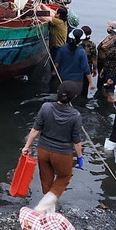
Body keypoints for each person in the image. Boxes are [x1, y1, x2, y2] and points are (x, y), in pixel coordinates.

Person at [22, 80, 84, 214]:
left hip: (43, 150)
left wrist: (27, 146)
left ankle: (50, 213)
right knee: (64, 177)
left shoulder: (46, 107)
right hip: (63, 154)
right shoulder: (75, 116)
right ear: (73, 97)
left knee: (46, 179)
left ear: (57, 93)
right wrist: (80, 157)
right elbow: (77, 141)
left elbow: (35, 130)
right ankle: (42, 207)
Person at [51, 31, 92, 99]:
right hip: (76, 82)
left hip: (62, 80)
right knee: (73, 101)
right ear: (81, 40)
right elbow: (86, 69)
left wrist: (54, 72)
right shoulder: (82, 52)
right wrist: (91, 83)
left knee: (60, 99)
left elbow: (57, 63)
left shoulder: (63, 48)